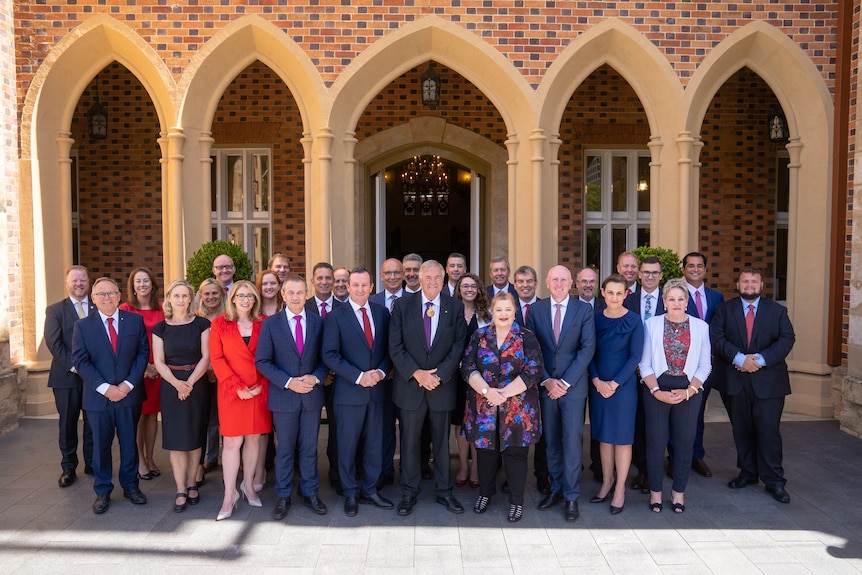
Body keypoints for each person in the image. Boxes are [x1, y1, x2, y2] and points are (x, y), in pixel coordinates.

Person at [710, 266, 796, 503]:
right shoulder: (724, 310)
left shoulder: (777, 312)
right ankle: (748, 473)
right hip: (735, 381)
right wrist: (739, 359)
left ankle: (775, 481)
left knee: (768, 432)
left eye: (754, 281)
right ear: (738, 285)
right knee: (742, 430)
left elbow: (787, 339)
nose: (749, 285)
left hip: (769, 383)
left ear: (761, 286)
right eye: (745, 281)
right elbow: (716, 339)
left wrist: (759, 360)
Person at [389, 260, 467, 516]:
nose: (433, 281)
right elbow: (395, 346)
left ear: (443, 280)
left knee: (442, 445)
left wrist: (440, 375)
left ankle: (444, 492)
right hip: (411, 387)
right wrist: (417, 374)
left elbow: (459, 346)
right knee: (409, 443)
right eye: (428, 277)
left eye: (437, 277)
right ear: (419, 279)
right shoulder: (402, 306)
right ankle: (409, 493)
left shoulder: (454, 308)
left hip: (442, 388)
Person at [462, 292, 543, 522]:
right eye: (499, 310)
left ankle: (516, 501)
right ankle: (485, 493)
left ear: (515, 311)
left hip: (517, 409)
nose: (504, 314)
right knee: (485, 452)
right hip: (484, 406)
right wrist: (488, 392)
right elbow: (467, 367)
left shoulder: (526, 337)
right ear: (492, 312)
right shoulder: (480, 335)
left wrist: (503, 394)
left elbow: (534, 370)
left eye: (508, 310)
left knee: (515, 454)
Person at [72, 277, 149, 514]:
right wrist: (106, 388)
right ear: (93, 299)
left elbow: (142, 354)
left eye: (111, 293)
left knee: (129, 443)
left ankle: (130, 486)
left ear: (119, 296)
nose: (107, 298)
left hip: (129, 396)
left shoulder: (135, 321)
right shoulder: (83, 326)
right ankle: (103, 490)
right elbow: (80, 361)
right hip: (98, 399)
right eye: (101, 294)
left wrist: (126, 386)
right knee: (100, 446)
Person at [526, 265, 595, 523]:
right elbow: (533, 349)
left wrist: (564, 382)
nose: (558, 283)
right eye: (554, 279)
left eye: (563, 279)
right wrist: (546, 381)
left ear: (571, 283)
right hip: (546, 388)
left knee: (573, 442)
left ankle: (571, 495)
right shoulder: (536, 309)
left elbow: (587, 348)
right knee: (551, 440)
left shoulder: (583, 310)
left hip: (573, 388)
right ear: (546, 281)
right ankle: (555, 488)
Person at [257, 275, 329, 520]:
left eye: (300, 292)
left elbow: (325, 359)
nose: (296, 297)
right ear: (283, 295)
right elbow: (262, 361)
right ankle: (284, 495)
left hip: (310, 395)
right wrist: (288, 382)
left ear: (306, 293)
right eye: (291, 293)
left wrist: (315, 378)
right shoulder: (271, 324)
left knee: (309, 448)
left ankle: (310, 493)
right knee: (285, 449)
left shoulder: (319, 323)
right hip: (284, 397)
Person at [322, 267, 393, 517]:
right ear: (347, 287)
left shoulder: (382, 313)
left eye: (365, 285)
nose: (360, 289)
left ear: (372, 287)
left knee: (375, 444)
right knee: (347, 445)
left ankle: (370, 489)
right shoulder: (335, 317)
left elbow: (389, 350)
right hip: (349, 394)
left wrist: (381, 373)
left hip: (376, 391)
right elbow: (329, 355)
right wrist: (359, 376)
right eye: (356, 285)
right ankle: (350, 491)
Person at [639, 278, 711, 513]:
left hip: (688, 390)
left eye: (681, 299)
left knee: (683, 443)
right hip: (656, 389)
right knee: (656, 442)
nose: (676, 303)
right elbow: (645, 363)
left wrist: (690, 391)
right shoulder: (652, 324)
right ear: (664, 301)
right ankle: (656, 493)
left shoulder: (701, 327)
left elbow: (704, 365)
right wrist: (656, 392)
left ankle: (679, 493)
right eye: (672, 299)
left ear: (687, 302)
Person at [210, 281, 271, 520]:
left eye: (250, 296)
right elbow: (216, 358)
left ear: (255, 299)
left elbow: (271, 356)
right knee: (233, 442)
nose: (245, 300)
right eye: (240, 295)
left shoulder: (264, 323)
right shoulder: (220, 324)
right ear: (232, 298)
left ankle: (248, 485)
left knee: (254, 440)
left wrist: (261, 386)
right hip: (231, 392)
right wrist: (237, 387)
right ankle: (229, 494)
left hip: (258, 390)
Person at [153, 279, 212, 513]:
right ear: (168, 298)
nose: (180, 300)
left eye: (184, 296)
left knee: (195, 437)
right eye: (175, 296)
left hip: (196, 385)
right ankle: (180, 488)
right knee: (176, 440)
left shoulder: (202, 324)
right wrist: (177, 383)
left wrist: (189, 382)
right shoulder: (160, 328)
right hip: (171, 386)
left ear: (191, 299)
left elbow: (206, 357)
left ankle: (191, 483)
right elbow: (158, 361)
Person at [587, 274, 644, 514]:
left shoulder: (634, 320)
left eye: (619, 293)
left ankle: (619, 488)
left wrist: (615, 384)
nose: (614, 297)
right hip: (599, 385)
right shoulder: (594, 319)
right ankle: (606, 482)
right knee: (604, 436)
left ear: (626, 294)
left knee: (621, 438)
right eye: (610, 292)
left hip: (624, 388)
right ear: (603, 292)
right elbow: (587, 351)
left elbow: (635, 356)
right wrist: (598, 381)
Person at [668, 252, 725, 479]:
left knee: (699, 412)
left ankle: (696, 455)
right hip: (679, 365)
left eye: (699, 266)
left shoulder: (716, 297)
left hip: (705, 366)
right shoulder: (677, 295)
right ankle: (674, 458)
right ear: (683, 269)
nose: (694, 269)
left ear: (705, 270)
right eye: (690, 266)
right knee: (677, 414)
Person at [45, 265, 95, 487]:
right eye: (74, 281)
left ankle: (92, 463)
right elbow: (54, 343)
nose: (79, 284)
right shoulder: (55, 310)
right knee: (68, 423)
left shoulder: (98, 308)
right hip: (67, 376)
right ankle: (68, 467)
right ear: (67, 284)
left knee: (94, 422)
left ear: (88, 282)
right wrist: (76, 366)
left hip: (94, 377)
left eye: (82, 280)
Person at [624, 255, 665, 494]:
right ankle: (641, 471)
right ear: (639, 274)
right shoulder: (629, 301)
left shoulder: (669, 301)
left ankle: (653, 473)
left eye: (654, 273)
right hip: (633, 373)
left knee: (656, 427)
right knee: (638, 424)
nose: (650, 276)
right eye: (646, 272)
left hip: (660, 375)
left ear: (661, 276)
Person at [119, 267, 165, 480]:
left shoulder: (162, 308)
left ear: (152, 284)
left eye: (146, 280)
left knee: (152, 416)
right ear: (132, 286)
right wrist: (145, 367)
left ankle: (150, 457)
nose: (142, 284)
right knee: (137, 416)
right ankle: (139, 460)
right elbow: (124, 344)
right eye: (138, 281)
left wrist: (159, 367)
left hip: (159, 371)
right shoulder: (126, 309)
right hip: (137, 371)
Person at [368, 258, 405, 489]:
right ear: (381, 277)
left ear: (403, 275)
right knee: (382, 426)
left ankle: (412, 470)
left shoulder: (413, 302)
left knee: (409, 428)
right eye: (387, 273)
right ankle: (384, 470)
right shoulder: (371, 301)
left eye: (396, 272)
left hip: (407, 377)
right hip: (381, 377)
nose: (392, 277)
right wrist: (383, 369)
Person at [453, 273, 491, 489]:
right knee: (460, 421)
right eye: (464, 286)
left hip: (480, 378)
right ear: (459, 289)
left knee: (478, 422)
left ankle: (475, 466)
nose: (468, 289)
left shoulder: (486, 315)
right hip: (456, 378)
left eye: (473, 286)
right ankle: (463, 466)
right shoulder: (452, 312)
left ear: (478, 290)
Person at [512, 264, 548, 494]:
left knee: (542, 432)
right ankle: (513, 477)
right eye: (520, 282)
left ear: (536, 283)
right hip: (513, 383)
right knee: (516, 431)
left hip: (542, 379)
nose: (525, 285)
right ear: (514, 285)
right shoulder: (508, 308)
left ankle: (542, 476)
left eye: (529, 281)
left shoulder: (545, 308)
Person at [197, 277, 226, 482]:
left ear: (222, 294)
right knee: (208, 417)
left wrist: (218, 370)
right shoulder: (196, 318)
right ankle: (211, 456)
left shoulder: (228, 317)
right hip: (202, 375)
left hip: (225, 374)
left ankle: (231, 456)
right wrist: (207, 369)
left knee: (227, 416)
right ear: (201, 296)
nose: (211, 297)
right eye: (206, 293)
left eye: (215, 293)